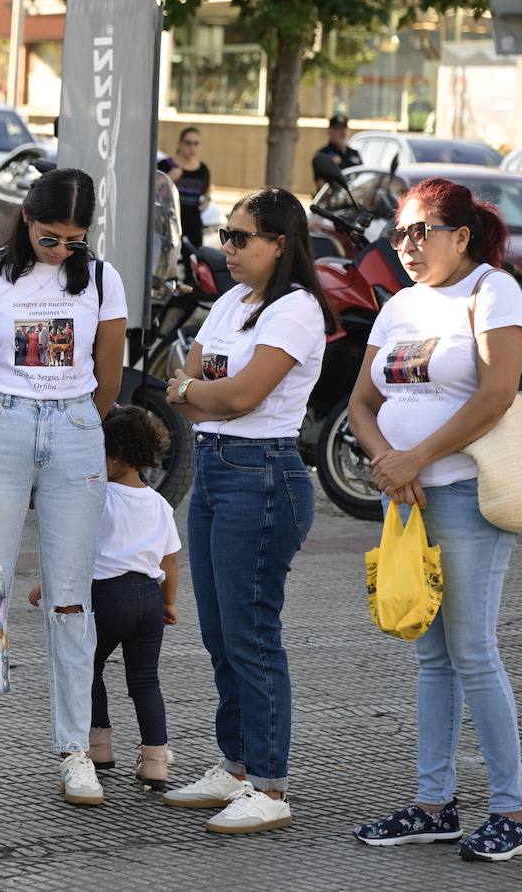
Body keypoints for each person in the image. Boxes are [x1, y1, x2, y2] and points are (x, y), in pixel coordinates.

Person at [347, 178, 522, 862]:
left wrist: (418, 457)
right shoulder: (398, 306)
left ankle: (511, 813)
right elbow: (362, 402)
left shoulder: (492, 291)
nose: (409, 244)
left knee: (473, 652)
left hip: (463, 496)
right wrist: (388, 461)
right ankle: (434, 805)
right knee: (432, 656)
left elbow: (496, 394)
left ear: (462, 235)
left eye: (423, 230)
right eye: (399, 232)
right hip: (409, 502)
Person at [0, 168, 128, 806]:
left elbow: (109, 379)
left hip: (74, 430)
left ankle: (75, 751)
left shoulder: (102, 277)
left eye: (74, 240)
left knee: (71, 597)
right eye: (50, 238)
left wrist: (76, 428)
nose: (61, 251)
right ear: (25, 218)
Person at [162, 188, 337, 833]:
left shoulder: (295, 311)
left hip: (262, 476)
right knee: (218, 633)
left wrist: (197, 391)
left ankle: (270, 784)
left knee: (251, 633)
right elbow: (184, 388)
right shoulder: (234, 302)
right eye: (225, 234)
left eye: (241, 238)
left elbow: (238, 395)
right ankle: (234, 766)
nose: (227, 248)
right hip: (214, 471)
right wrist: (199, 391)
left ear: (280, 244)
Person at [28, 405, 180, 791]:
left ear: (116, 456)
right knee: (146, 680)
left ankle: (99, 744)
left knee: (87, 667)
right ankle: (155, 760)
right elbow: (170, 558)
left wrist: (48, 585)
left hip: (108, 594)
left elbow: (76, 549)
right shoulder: (160, 503)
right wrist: (169, 602)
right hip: (148, 595)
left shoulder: (98, 498)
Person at [158, 127, 212, 258]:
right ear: (180, 144)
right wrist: (169, 178)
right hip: (169, 221)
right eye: (188, 143)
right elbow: (152, 191)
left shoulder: (203, 170)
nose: (192, 147)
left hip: (193, 223)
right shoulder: (165, 165)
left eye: (196, 143)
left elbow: (206, 193)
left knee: (194, 263)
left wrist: (207, 201)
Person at [314, 115, 362, 190]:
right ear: (330, 131)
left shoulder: (354, 153)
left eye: (344, 128)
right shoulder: (323, 155)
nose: (342, 133)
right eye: (338, 129)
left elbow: (361, 178)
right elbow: (320, 183)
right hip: (333, 198)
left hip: (354, 196)